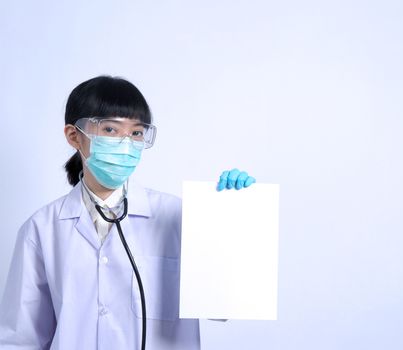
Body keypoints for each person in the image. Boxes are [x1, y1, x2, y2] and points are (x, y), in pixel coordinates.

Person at [0, 76, 255, 349]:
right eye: (110, 130)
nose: (126, 143)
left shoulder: (179, 217)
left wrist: (230, 218)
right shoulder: (41, 229)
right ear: (74, 136)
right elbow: (21, 339)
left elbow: (222, 309)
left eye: (136, 133)